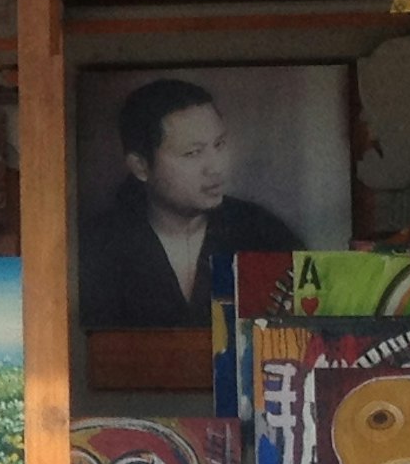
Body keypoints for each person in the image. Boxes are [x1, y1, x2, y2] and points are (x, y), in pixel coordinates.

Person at [75, 77, 300, 327]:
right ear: (140, 166)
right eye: (193, 153)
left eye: (219, 144)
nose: (216, 167)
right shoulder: (97, 247)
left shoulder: (264, 233)